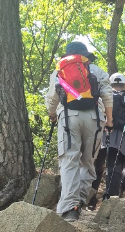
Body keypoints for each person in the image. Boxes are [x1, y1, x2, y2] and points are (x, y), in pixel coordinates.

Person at [45, 40, 113, 221]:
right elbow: (107, 95)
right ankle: (80, 199)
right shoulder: (97, 70)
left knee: (69, 160)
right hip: (94, 118)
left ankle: (70, 208)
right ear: (86, 57)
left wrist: (52, 114)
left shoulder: (59, 71)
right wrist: (110, 120)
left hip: (68, 118)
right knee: (88, 162)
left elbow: (52, 98)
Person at [92, 73, 125, 201]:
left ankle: (90, 199)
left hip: (101, 134)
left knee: (96, 166)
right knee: (115, 165)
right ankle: (110, 199)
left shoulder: (102, 98)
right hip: (120, 137)